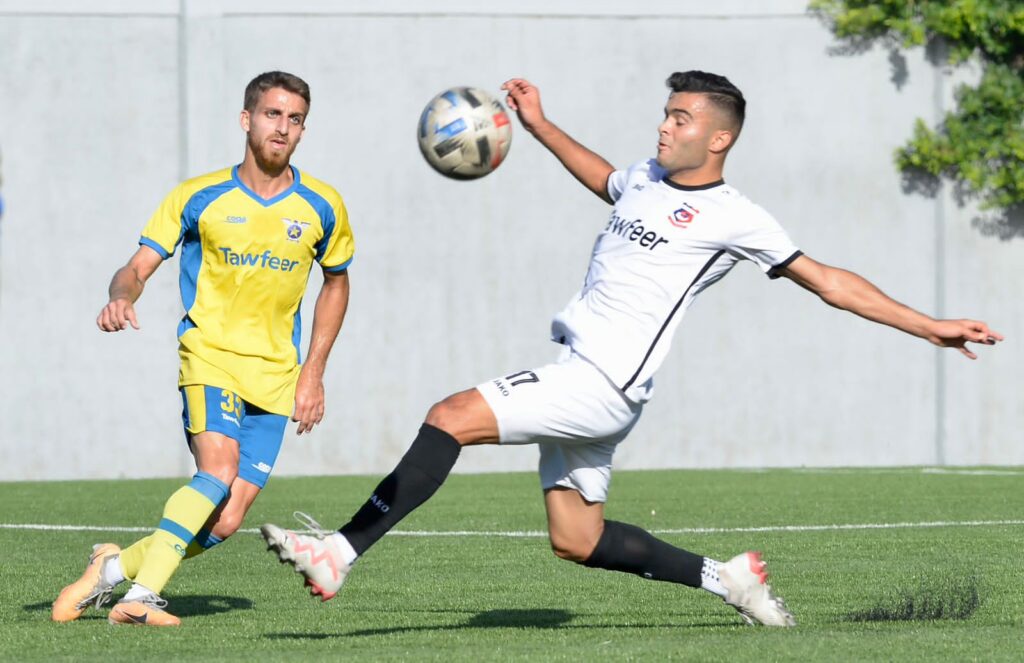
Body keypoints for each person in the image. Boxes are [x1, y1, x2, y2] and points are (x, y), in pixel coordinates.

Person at [260, 72, 1002, 627]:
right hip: (585, 379)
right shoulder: (646, 179)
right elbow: (602, 176)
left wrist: (930, 325)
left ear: (719, 138)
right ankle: (728, 579)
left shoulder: (735, 216)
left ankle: (340, 552)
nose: (664, 127)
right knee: (577, 540)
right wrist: (540, 125)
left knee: (449, 414)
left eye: (681, 118)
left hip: (602, 384)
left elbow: (829, 281)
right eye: (665, 113)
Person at [51, 71, 355, 627]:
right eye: (272, 114)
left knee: (226, 520)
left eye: (294, 119)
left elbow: (336, 283)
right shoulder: (198, 196)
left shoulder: (322, 205)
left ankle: (110, 570)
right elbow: (137, 266)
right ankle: (141, 596)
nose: (282, 127)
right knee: (218, 469)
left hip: (276, 374)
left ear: (303, 130)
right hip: (210, 356)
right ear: (246, 119)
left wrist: (313, 373)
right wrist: (121, 297)